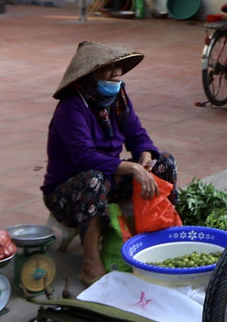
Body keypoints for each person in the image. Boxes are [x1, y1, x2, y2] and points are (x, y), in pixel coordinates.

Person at [42, 41, 178, 286]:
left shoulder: (118, 98)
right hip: (70, 192)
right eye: (108, 69)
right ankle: (90, 264)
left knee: (164, 163)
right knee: (94, 179)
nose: (116, 73)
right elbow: (84, 157)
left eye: (118, 67)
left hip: (109, 177)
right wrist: (132, 168)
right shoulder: (71, 108)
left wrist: (144, 156)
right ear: (89, 76)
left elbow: (137, 135)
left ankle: (156, 236)